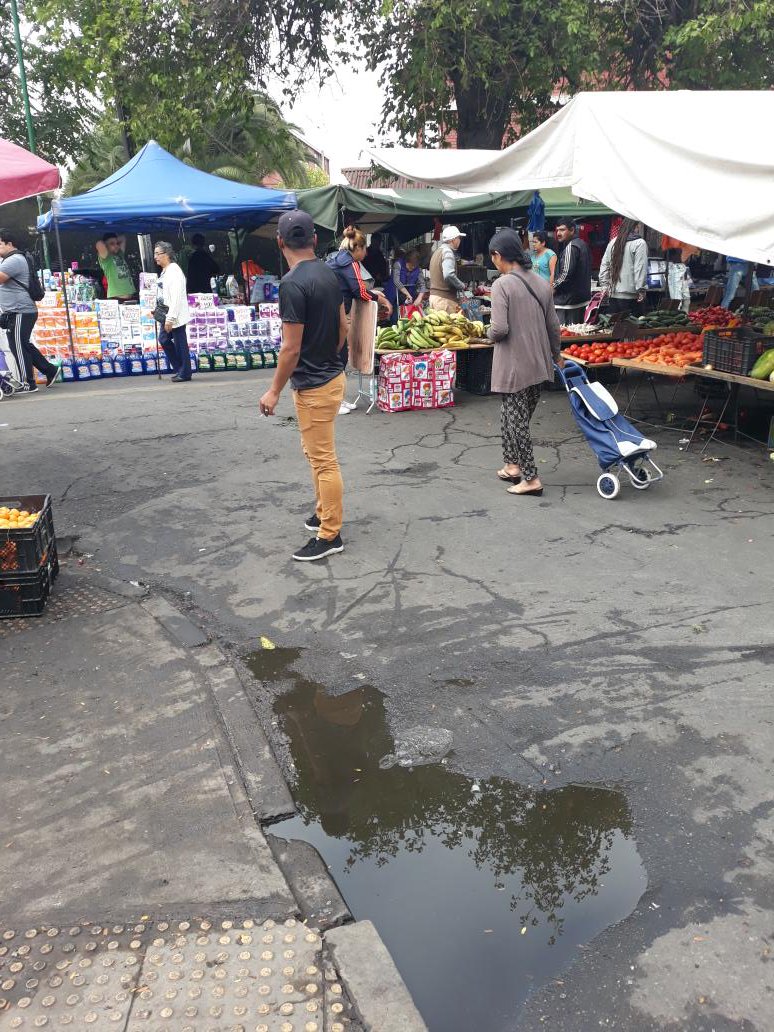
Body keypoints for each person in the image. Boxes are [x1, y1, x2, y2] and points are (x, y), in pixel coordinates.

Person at [259, 211, 349, 563]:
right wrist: (331, 359)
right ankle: (322, 512)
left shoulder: (292, 283)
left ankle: (331, 533)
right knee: (316, 453)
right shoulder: (328, 273)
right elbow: (342, 326)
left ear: (280, 242)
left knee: (324, 460)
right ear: (313, 240)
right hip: (330, 376)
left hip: (314, 384)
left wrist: (273, 390)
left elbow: (290, 348)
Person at [487, 228, 562, 498]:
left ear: (498, 256)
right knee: (510, 415)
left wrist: (486, 334)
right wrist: (557, 356)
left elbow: (499, 329)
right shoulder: (541, 282)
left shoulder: (502, 285)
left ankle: (531, 478)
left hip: (515, 364)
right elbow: (554, 326)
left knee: (516, 421)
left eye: (492, 257)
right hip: (539, 362)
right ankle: (512, 465)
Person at [326, 226, 392, 414]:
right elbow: (359, 291)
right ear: (359, 248)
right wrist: (380, 298)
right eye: (365, 249)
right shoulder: (350, 263)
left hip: (330, 311)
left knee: (338, 356)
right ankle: (334, 402)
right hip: (336, 313)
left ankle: (338, 398)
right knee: (338, 357)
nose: (366, 253)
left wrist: (374, 293)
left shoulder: (338, 259)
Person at [0, 228, 60, 393]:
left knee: (19, 346)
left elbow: (1, 278)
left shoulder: (14, 260)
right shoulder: (9, 259)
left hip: (21, 310)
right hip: (17, 311)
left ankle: (28, 383)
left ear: (9, 244)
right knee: (21, 345)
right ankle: (50, 370)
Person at [153, 242, 192, 383]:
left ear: (167, 255)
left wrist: (170, 318)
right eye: (155, 253)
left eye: (158, 253)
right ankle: (180, 368)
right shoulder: (166, 271)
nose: (155, 257)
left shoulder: (174, 271)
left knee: (180, 343)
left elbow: (176, 297)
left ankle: (184, 371)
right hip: (166, 313)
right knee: (164, 339)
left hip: (174, 314)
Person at [598, 218, 648, 315]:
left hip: (613, 294)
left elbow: (604, 265)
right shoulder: (639, 243)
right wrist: (641, 289)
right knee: (631, 327)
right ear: (636, 227)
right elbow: (640, 268)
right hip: (631, 295)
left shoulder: (612, 242)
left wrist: (604, 286)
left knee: (615, 327)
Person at [552, 219, 591, 324]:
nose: (558, 233)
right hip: (579, 300)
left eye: (562, 230)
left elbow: (565, 274)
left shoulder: (571, 247)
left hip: (568, 301)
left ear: (572, 230)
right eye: (557, 230)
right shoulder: (582, 244)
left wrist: (553, 287)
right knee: (577, 335)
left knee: (566, 335)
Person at [429, 226, 467, 313]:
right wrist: (461, 285)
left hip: (434, 298)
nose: (460, 240)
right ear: (452, 239)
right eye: (458, 238)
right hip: (444, 300)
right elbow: (448, 275)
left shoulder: (437, 252)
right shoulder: (447, 252)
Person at [95, 233, 136, 300]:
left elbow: (123, 238)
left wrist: (113, 241)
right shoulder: (106, 258)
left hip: (129, 298)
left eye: (117, 243)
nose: (116, 246)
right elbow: (99, 244)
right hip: (116, 298)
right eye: (112, 244)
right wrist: (107, 243)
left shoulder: (120, 254)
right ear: (105, 245)